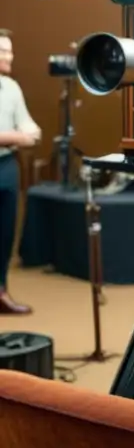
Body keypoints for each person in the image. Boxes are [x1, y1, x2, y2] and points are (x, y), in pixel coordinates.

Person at [0, 29, 41, 315]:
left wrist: (13, 136)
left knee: (4, 234)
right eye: (2, 51)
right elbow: (21, 135)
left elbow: (32, 131)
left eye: (10, 50)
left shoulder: (12, 87)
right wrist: (17, 136)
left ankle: (0, 291)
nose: (9, 56)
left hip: (5, 167)